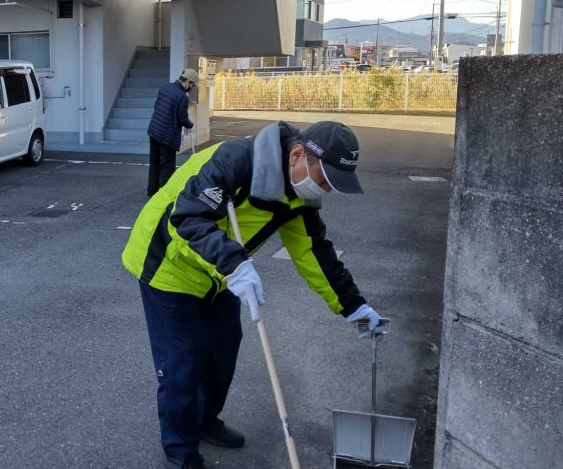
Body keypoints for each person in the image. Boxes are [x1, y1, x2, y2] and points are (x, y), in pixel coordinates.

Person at [121, 120, 383, 469]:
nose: (323, 191)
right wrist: (234, 265)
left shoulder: (299, 197)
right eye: (323, 180)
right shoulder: (235, 161)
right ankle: (181, 448)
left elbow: (314, 253)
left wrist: (354, 308)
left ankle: (204, 420)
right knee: (183, 360)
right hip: (168, 262)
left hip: (220, 271)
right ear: (297, 155)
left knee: (223, 348)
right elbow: (187, 220)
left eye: (331, 187)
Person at [147, 69, 197, 197]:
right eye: (192, 85)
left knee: (155, 163)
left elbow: (158, 107)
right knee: (167, 168)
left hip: (154, 131)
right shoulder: (182, 96)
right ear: (188, 82)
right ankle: (165, 196)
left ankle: (152, 192)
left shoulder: (165, 87)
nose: (191, 88)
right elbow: (182, 118)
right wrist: (190, 125)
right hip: (167, 137)